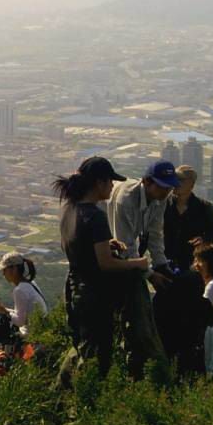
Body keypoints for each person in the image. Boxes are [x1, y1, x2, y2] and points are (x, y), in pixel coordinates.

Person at [55, 157, 148, 384]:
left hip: (74, 287)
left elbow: (76, 242)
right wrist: (138, 263)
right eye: (110, 181)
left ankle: (61, 392)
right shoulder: (95, 215)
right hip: (94, 294)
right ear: (99, 183)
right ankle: (85, 397)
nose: (112, 186)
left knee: (82, 346)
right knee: (97, 356)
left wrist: (105, 243)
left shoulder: (69, 207)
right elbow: (106, 263)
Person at [105, 160, 177, 378]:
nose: (166, 191)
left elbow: (155, 233)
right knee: (125, 310)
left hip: (128, 253)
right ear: (146, 182)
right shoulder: (126, 199)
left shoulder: (160, 198)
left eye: (169, 187)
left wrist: (162, 265)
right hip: (110, 252)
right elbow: (124, 245)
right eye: (162, 186)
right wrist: (150, 275)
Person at [156, 164, 213, 376]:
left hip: (193, 269)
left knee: (188, 314)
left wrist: (203, 240)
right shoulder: (164, 204)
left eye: (181, 180)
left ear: (191, 184)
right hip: (166, 265)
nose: (176, 184)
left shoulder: (203, 208)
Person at [0, 251, 48, 337]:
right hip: (41, 330)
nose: (3, 274)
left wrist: (0, 309)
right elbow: (22, 315)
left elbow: (20, 322)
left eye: (4, 270)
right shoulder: (31, 283)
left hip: (31, 334)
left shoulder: (19, 290)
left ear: (14, 269)